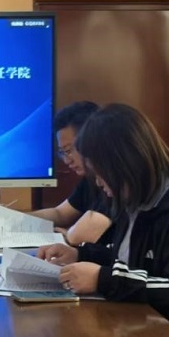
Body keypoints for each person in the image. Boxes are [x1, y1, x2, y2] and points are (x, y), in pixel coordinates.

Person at [37, 103, 169, 320]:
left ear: (124, 165)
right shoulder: (137, 202)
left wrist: (103, 279)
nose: (98, 183)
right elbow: (132, 262)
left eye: (101, 174)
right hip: (145, 320)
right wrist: (80, 255)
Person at [30, 101, 112, 245]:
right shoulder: (89, 178)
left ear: (89, 141)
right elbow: (61, 214)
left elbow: (77, 236)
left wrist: (67, 234)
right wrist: (15, 220)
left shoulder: (113, 180)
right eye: (62, 152)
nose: (66, 161)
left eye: (68, 151)